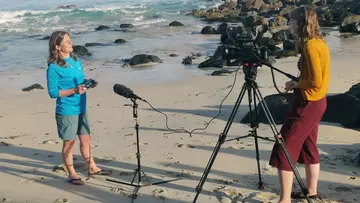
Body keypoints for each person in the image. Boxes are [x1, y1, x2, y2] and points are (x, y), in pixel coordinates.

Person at [269, 5, 330, 203]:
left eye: (291, 21)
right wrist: (299, 80)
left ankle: (284, 200)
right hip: (317, 101)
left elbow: (315, 81)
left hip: (308, 102)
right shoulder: (317, 42)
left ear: (301, 23)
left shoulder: (311, 46)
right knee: (309, 147)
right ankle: (311, 191)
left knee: (284, 148)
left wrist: (296, 83)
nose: (288, 24)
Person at [46, 31, 111, 185]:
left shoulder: (76, 60)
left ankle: (92, 166)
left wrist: (88, 83)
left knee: (86, 139)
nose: (71, 43)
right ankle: (71, 173)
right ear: (57, 46)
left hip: (81, 106)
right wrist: (74, 91)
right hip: (67, 110)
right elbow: (53, 92)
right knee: (70, 142)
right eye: (67, 41)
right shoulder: (53, 68)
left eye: (70, 39)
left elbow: (80, 81)